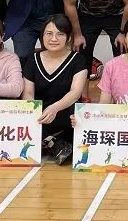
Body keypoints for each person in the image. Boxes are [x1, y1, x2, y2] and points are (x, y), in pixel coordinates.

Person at [21, 14, 88, 165]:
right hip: (40, 117)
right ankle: (52, 144)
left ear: (68, 37)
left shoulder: (78, 60)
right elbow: (28, 92)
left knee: (77, 116)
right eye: (49, 34)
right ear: (42, 36)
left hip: (64, 113)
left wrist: (54, 108)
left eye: (60, 34)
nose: (53, 39)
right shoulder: (33, 59)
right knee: (21, 109)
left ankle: (48, 143)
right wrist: (33, 111)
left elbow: (75, 93)